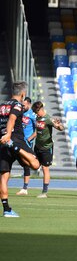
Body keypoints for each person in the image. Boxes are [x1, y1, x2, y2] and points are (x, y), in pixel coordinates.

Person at [0, 82, 41, 217]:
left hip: (2, 142)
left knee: (4, 177)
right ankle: (15, 147)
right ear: (23, 94)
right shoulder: (17, 105)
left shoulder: (2, 105)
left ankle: (6, 209)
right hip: (14, 139)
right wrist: (9, 136)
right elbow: (12, 119)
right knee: (35, 164)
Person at [24, 101, 64, 198]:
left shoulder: (48, 119)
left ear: (40, 109)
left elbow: (61, 128)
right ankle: (25, 187)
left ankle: (44, 192)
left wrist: (59, 125)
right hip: (37, 147)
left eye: (36, 112)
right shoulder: (37, 118)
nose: (36, 114)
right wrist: (30, 138)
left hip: (46, 148)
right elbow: (37, 131)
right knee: (34, 165)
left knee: (45, 168)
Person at [16, 97, 37, 195]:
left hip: (27, 143)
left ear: (28, 104)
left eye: (24, 105)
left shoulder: (32, 115)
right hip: (19, 140)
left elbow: (38, 130)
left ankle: (25, 188)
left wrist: (29, 138)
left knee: (26, 165)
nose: (23, 106)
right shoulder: (20, 112)